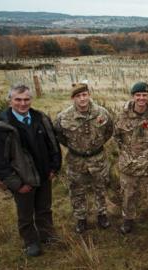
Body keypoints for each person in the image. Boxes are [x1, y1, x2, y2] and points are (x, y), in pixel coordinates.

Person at [0, 84, 61, 257]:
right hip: (23, 179)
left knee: (44, 208)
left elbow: (53, 144)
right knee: (25, 213)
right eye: (18, 99)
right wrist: (16, 184)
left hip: (44, 175)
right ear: (10, 101)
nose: (23, 103)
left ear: (31, 100)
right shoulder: (2, 126)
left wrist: (54, 167)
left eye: (26, 99)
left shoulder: (41, 118)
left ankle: (47, 234)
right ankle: (31, 242)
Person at [54, 83, 113, 233]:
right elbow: (59, 136)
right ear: (73, 98)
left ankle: (102, 215)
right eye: (78, 96)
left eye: (84, 95)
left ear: (89, 95)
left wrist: (96, 146)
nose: (82, 99)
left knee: (100, 188)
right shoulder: (63, 117)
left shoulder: (102, 113)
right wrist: (76, 148)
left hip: (98, 159)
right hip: (76, 160)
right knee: (76, 190)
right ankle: (81, 218)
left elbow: (109, 131)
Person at [113, 82, 148, 234]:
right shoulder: (121, 117)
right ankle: (128, 220)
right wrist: (128, 153)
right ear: (133, 97)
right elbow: (116, 137)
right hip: (129, 165)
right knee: (128, 195)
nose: (141, 98)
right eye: (138, 95)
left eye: (144, 95)